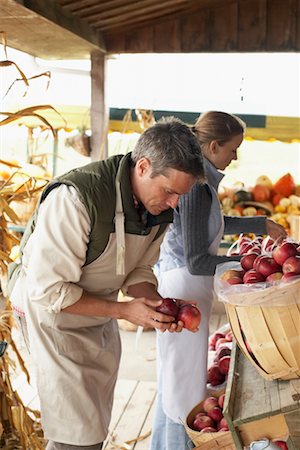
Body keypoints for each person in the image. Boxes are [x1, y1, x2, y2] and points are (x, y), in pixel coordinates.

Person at [7, 117, 205, 450]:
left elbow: (138, 269)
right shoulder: (76, 198)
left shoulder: (158, 209)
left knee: (94, 421)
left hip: (99, 313)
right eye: (170, 191)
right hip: (49, 314)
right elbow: (48, 289)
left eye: (179, 196)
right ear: (143, 167)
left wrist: (155, 305)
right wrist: (123, 310)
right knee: (75, 430)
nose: (175, 204)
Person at [150, 111, 287, 450]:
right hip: (185, 287)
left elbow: (211, 223)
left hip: (183, 287)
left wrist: (258, 225)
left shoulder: (202, 183)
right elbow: (198, 260)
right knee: (183, 388)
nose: (235, 157)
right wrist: (248, 261)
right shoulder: (197, 186)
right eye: (233, 149)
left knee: (174, 380)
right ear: (213, 146)